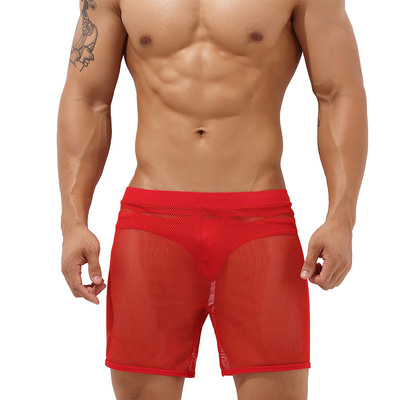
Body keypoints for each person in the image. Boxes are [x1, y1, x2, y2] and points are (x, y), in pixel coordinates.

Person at [57, 0, 368, 398]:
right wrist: (73, 222)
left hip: (258, 227)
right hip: (152, 226)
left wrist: (342, 217)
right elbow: (88, 98)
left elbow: (338, 92)